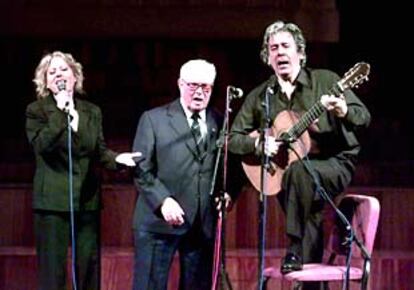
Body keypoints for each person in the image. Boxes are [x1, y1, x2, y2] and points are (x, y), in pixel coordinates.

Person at [228, 20, 371, 277]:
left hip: (334, 162)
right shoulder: (261, 96)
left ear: (300, 53)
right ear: (267, 57)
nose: (280, 52)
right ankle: (308, 275)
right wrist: (259, 143)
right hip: (290, 174)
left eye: (285, 46)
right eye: (273, 48)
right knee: (308, 216)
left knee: (298, 174)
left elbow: (364, 117)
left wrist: (343, 110)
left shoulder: (327, 81)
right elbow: (230, 138)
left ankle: (292, 247)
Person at [25, 50, 140, 290]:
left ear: (75, 77)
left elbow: (98, 151)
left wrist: (118, 159)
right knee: (52, 272)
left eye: (64, 70)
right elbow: (41, 146)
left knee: (88, 266)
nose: (59, 75)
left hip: (86, 201)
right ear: (45, 81)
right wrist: (61, 112)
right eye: (52, 72)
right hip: (51, 205)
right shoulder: (36, 110)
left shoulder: (92, 111)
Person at [131, 59, 231, 290]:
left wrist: (227, 193)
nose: (199, 92)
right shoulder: (153, 119)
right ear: (180, 84)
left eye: (206, 87)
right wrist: (163, 200)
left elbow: (226, 165)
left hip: (201, 224)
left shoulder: (219, 120)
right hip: (158, 222)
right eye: (193, 85)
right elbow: (141, 169)